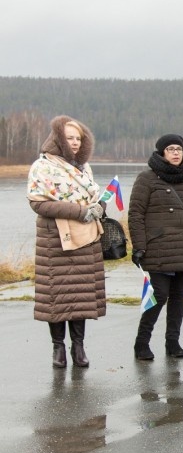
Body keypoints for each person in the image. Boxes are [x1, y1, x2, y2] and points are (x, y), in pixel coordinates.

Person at [26, 116, 106, 368]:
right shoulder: (43, 166)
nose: (74, 143)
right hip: (55, 240)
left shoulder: (84, 168)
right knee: (57, 297)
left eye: (78, 138)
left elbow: (92, 196)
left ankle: (78, 347)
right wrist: (79, 211)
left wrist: (99, 207)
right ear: (58, 138)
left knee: (81, 295)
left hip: (86, 239)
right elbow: (38, 203)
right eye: (69, 138)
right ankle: (58, 348)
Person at [129, 134, 183, 360]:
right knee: (158, 295)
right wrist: (139, 245)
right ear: (161, 153)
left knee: (178, 295)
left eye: (179, 148)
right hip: (158, 247)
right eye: (170, 149)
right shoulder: (146, 178)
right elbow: (135, 214)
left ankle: (172, 342)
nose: (176, 152)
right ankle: (142, 342)